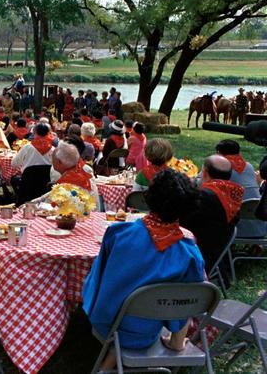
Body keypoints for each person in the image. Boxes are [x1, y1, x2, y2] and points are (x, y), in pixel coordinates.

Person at [82, 169, 205, 369]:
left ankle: (109, 363)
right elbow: (187, 301)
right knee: (178, 296)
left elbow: (99, 279)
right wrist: (176, 340)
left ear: (148, 198)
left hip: (107, 324)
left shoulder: (118, 234)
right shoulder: (189, 253)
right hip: (148, 331)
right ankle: (174, 341)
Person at [180, 155, 243, 272]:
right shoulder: (233, 196)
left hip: (192, 258)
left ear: (204, 173)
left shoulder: (204, 197)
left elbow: (180, 224)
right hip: (214, 257)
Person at [216, 139, 265, 238]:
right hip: (261, 227)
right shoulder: (249, 167)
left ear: (218, 153)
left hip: (234, 230)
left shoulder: (221, 167)